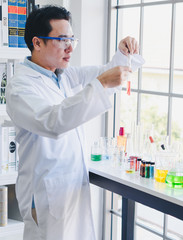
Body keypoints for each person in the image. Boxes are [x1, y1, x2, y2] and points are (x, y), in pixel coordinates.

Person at [5, 5, 139, 240]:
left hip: (70, 187)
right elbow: (52, 121)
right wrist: (101, 84)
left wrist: (123, 53)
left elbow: (108, 73)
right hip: (46, 194)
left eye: (72, 39)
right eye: (61, 40)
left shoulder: (62, 75)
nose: (70, 47)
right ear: (37, 43)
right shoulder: (20, 87)